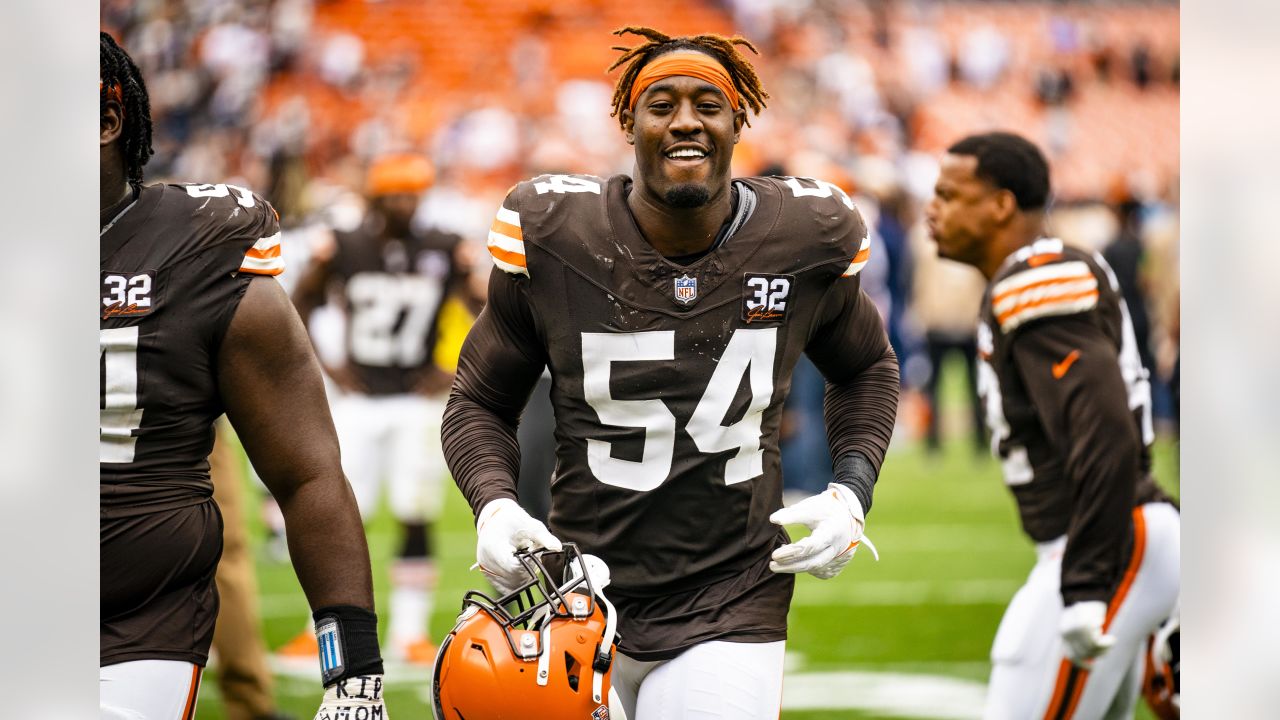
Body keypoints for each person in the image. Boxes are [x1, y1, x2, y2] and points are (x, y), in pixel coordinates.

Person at [441, 26, 900, 719]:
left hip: (732, 593)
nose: (686, 120)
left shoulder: (807, 235)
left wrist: (851, 489)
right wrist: (495, 503)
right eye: (662, 104)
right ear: (628, 121)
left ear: (739, 118)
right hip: (579, 591)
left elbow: (867, 365)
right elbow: (478, 396)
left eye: (707, 104)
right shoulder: (556, 231)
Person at [98, 32, 386, 719]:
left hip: (135, 620)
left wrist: (353, 675)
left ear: (107, 122)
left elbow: (307, 472)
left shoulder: (198, 246)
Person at [925, 131, 1180, 719]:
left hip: (1106, 545)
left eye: (949, 194)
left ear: (1000, 205)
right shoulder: (1033, 273)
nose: (932, 209)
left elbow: (1105, 431)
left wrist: (1087, 583)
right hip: (1120, 538)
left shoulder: (1037, 275)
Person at [289, 152, 478, 664]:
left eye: (412, 192)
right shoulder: (346, 244)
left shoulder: (444, 246)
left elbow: (488, 310)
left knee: (415, 512)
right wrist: (328, 368)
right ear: (374, 195)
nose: (403, 202)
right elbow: (297, 304)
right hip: (361, 400)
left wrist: (453, 365)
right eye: (394, 192)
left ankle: (410, 632)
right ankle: (320, 627)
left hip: (416, 403)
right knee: (336, 513)